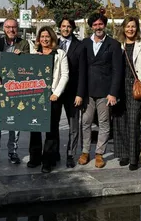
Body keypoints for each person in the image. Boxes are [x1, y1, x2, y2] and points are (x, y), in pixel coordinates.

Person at [79, 13, 122, 169]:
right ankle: (85, 151)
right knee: (85, 121)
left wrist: (113, 92)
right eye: (95, 25)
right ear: (91, 26)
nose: (98, 27)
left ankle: (99, 154)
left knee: (104, 123)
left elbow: (117, 71)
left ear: (105, 25)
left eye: (100, 24)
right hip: (87, 91)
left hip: (105, 91)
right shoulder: (84, 43)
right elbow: (80, 67)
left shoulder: (114, 44)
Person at [113, 16, 141, 171]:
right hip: (119, 86)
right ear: (123, 28)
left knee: (133, 121)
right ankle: (124, 154)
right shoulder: (118, 45)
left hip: (136, 85)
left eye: (133, 26)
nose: (130, 29)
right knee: (120, 120)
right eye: (127, 26)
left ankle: (134, 156)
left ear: (137, 29)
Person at [0, 18, 30, 165]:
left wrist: (23, 57)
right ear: (4, 28)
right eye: (8, 27)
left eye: (14, 27)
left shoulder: (23, 43)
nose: (11, 30)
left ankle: (13, 151)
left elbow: (28, 66)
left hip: (16, 88)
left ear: (17, 28)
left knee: (15, 120)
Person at [28, 26, 69, 173]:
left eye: (47, 36)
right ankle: (34, 157)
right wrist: (19, 56)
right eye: (42, 37)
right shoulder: (33, 53)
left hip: (53, 96)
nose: (45, 39)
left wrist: (56, 93)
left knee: (51, 129)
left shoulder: (60, 53)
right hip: (36, 95)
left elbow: (65, 75)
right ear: (38, 39)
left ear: (52, 38)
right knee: (35, 127)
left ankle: (48, 160)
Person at [57, 17, 87, 168]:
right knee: (52, 124)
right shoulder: (53, 43)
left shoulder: (80, 46)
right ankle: (54, 152)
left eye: (69, 26)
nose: (66, 29)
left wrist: (80, 94)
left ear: (73, 28)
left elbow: (82, 72)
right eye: (63, 26)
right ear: (59, 27)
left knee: (73, 126)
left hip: (72, 92)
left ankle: (70, 154)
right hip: (55, 91)